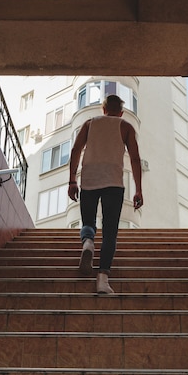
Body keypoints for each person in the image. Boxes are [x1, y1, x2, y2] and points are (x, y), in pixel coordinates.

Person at [68, 94, 143, 294]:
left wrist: (72, 180)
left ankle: (88, 243)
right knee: (110, 232)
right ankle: (102, 280)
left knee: (88, 223)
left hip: (90, 180)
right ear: (120, 112)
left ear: (103, 109)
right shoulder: (125, 126)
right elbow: (135, 159)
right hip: (114, 183)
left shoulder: (89, 123)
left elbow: (75, 150)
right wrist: (138, 189)